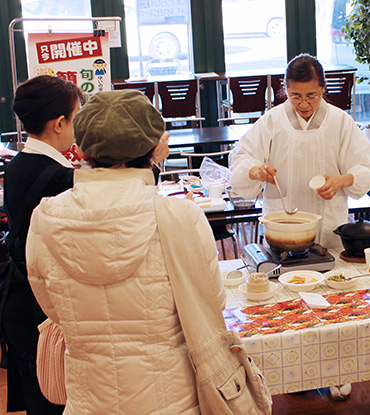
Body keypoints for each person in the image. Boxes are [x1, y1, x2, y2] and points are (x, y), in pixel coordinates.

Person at [25, 90, 224, 414]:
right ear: (153, 149)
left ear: (83, 146)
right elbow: (211, 304)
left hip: (88, 401)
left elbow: (52, 307)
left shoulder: (45, 218)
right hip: (172, 400)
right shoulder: (180, 216)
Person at [230, 53, 370, 249]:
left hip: (329, 223)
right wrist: (255, 170)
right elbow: (241, 155)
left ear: (323, 88)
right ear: (286, 89)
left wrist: (342, 180)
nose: (304, 104)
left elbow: (368, 167)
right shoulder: (274, 120)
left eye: (311, 96)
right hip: (282, 224)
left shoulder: (339, 121)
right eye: (296, 97)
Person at [3, 74, 86, 414]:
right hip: (42, 307)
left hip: (20, 299)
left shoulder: (19, 165)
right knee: (54, 399)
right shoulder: (58, 175)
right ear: (59, 123)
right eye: (77, 116)